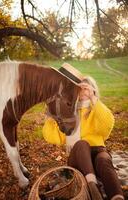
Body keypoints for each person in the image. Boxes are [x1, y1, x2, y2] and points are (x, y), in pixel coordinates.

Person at [42, 63, 124, 200]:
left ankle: (117, 196)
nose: (83, 92)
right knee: (82, 144)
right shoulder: (69, 113)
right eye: (80, 89)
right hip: (78, 156)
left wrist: (93, 99)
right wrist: (50, 117)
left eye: (86, 89)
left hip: (98, 150)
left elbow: (106, 127)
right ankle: (93, 186)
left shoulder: (96, 109)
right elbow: (53, 137)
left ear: (93, 90)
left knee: (104, 158)